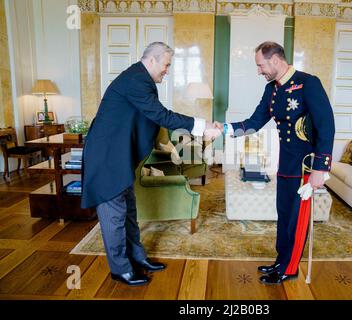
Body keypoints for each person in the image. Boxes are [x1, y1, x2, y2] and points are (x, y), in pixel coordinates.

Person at [81, 42, 221, 286]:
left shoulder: (140, 79)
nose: (167, 70)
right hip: (106, 158)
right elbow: (161, 115)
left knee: (129, 212)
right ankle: (120, 269)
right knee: (114, 216)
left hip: (118, 157)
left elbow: (152, 118)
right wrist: (202, 126)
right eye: (166, 64)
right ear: (153, 60)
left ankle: (137, 258)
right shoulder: (135, 79)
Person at [215, 41, 335, 284]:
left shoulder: (308, 83)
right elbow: (254, 122)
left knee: (296, 220)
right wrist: (224, 129)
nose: (259, 71)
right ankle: (281, 261)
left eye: (261, 66)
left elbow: (326, 125)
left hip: (305, 167)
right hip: (286, 165)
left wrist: (320, 169)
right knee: (284, 216)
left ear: (275, 60)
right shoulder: (272, 89)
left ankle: (290, 269)